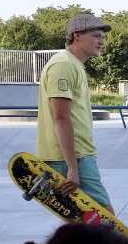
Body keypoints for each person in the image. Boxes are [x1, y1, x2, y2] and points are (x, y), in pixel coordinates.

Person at [37, 13, 114, 212]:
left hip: (77, 155)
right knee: (107, 223)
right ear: (77, 35)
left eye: (102, 37)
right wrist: (72, 167)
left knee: (85, 226)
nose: (101, 41)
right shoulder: (63, 65)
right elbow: (61, 118)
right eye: (96, 36)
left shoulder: (74, 65)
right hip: (72, 158)